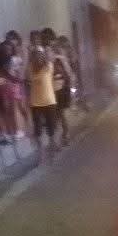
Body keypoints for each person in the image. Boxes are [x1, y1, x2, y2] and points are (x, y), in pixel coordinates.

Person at [27, 30, 61, 159]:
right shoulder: (30, 69)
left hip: (49, 101)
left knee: (51, 127)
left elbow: (49, 57)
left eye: (40, 56)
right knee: (38, 130)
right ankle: (41, 152)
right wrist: (29, 54)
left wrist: (45, 50)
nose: (38, 58)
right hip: (35, 103)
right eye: (36, 57)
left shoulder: (48, 67)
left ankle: (53, 146)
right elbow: (27, 75)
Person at [50, 35, 74, 146]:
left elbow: (68, 74)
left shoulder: (60, 59)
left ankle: (65, 135)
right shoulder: (54, 59)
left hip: (61, 90)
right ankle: (64, 136)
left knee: (60, 114)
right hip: (56, 90)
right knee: (59, 115)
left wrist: (69, 88)